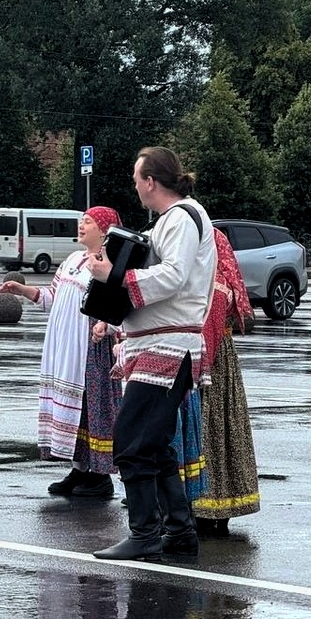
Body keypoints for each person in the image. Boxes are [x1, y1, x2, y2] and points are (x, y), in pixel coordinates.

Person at [90, 147, 216, 560]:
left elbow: (175, 276)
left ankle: (145, 533)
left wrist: (114, 276)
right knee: (154, 442)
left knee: (132, 439)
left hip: (169, 344)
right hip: (161, 342)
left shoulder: (181, 217)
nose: (135, 187)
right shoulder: (173, 219)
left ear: (150, 181)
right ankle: (178, 531)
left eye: (136, 179)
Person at [0, 206, 124, 497]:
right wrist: (22, 290)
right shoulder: (72, 260)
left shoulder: (109, 264)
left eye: (88, 222)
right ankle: (79, 469)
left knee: (92, 408)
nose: (81, 226)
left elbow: (119, 305)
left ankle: (100, 476)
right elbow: (53, 297)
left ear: (104, 231)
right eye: (82, 221)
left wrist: (106, 326)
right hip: (66, 347)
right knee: (75, 411)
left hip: (90, 348)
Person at [192, 229, 260, 536]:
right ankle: (219, 506)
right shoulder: (218, 280)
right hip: (222, 363)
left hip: (210, 363)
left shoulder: (215, 285)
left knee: (209, 431)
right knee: (224, 432)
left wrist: (195, 370)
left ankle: (208, 506)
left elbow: (207, 332)